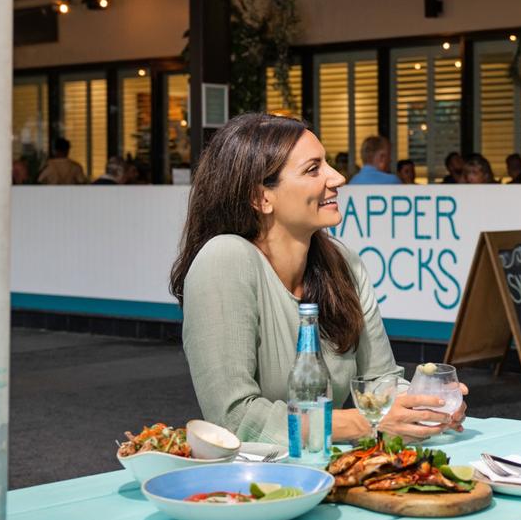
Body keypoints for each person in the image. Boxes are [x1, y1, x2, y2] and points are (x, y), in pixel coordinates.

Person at [169, 113, 467, 446]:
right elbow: (234, 418)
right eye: (313, 169)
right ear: (261, 197)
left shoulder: (343, 262)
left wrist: (426, 405)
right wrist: (364, 422)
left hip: (329, 470)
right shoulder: (224, 259)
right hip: (257, 486)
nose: (338, 177)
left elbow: (380, 381)